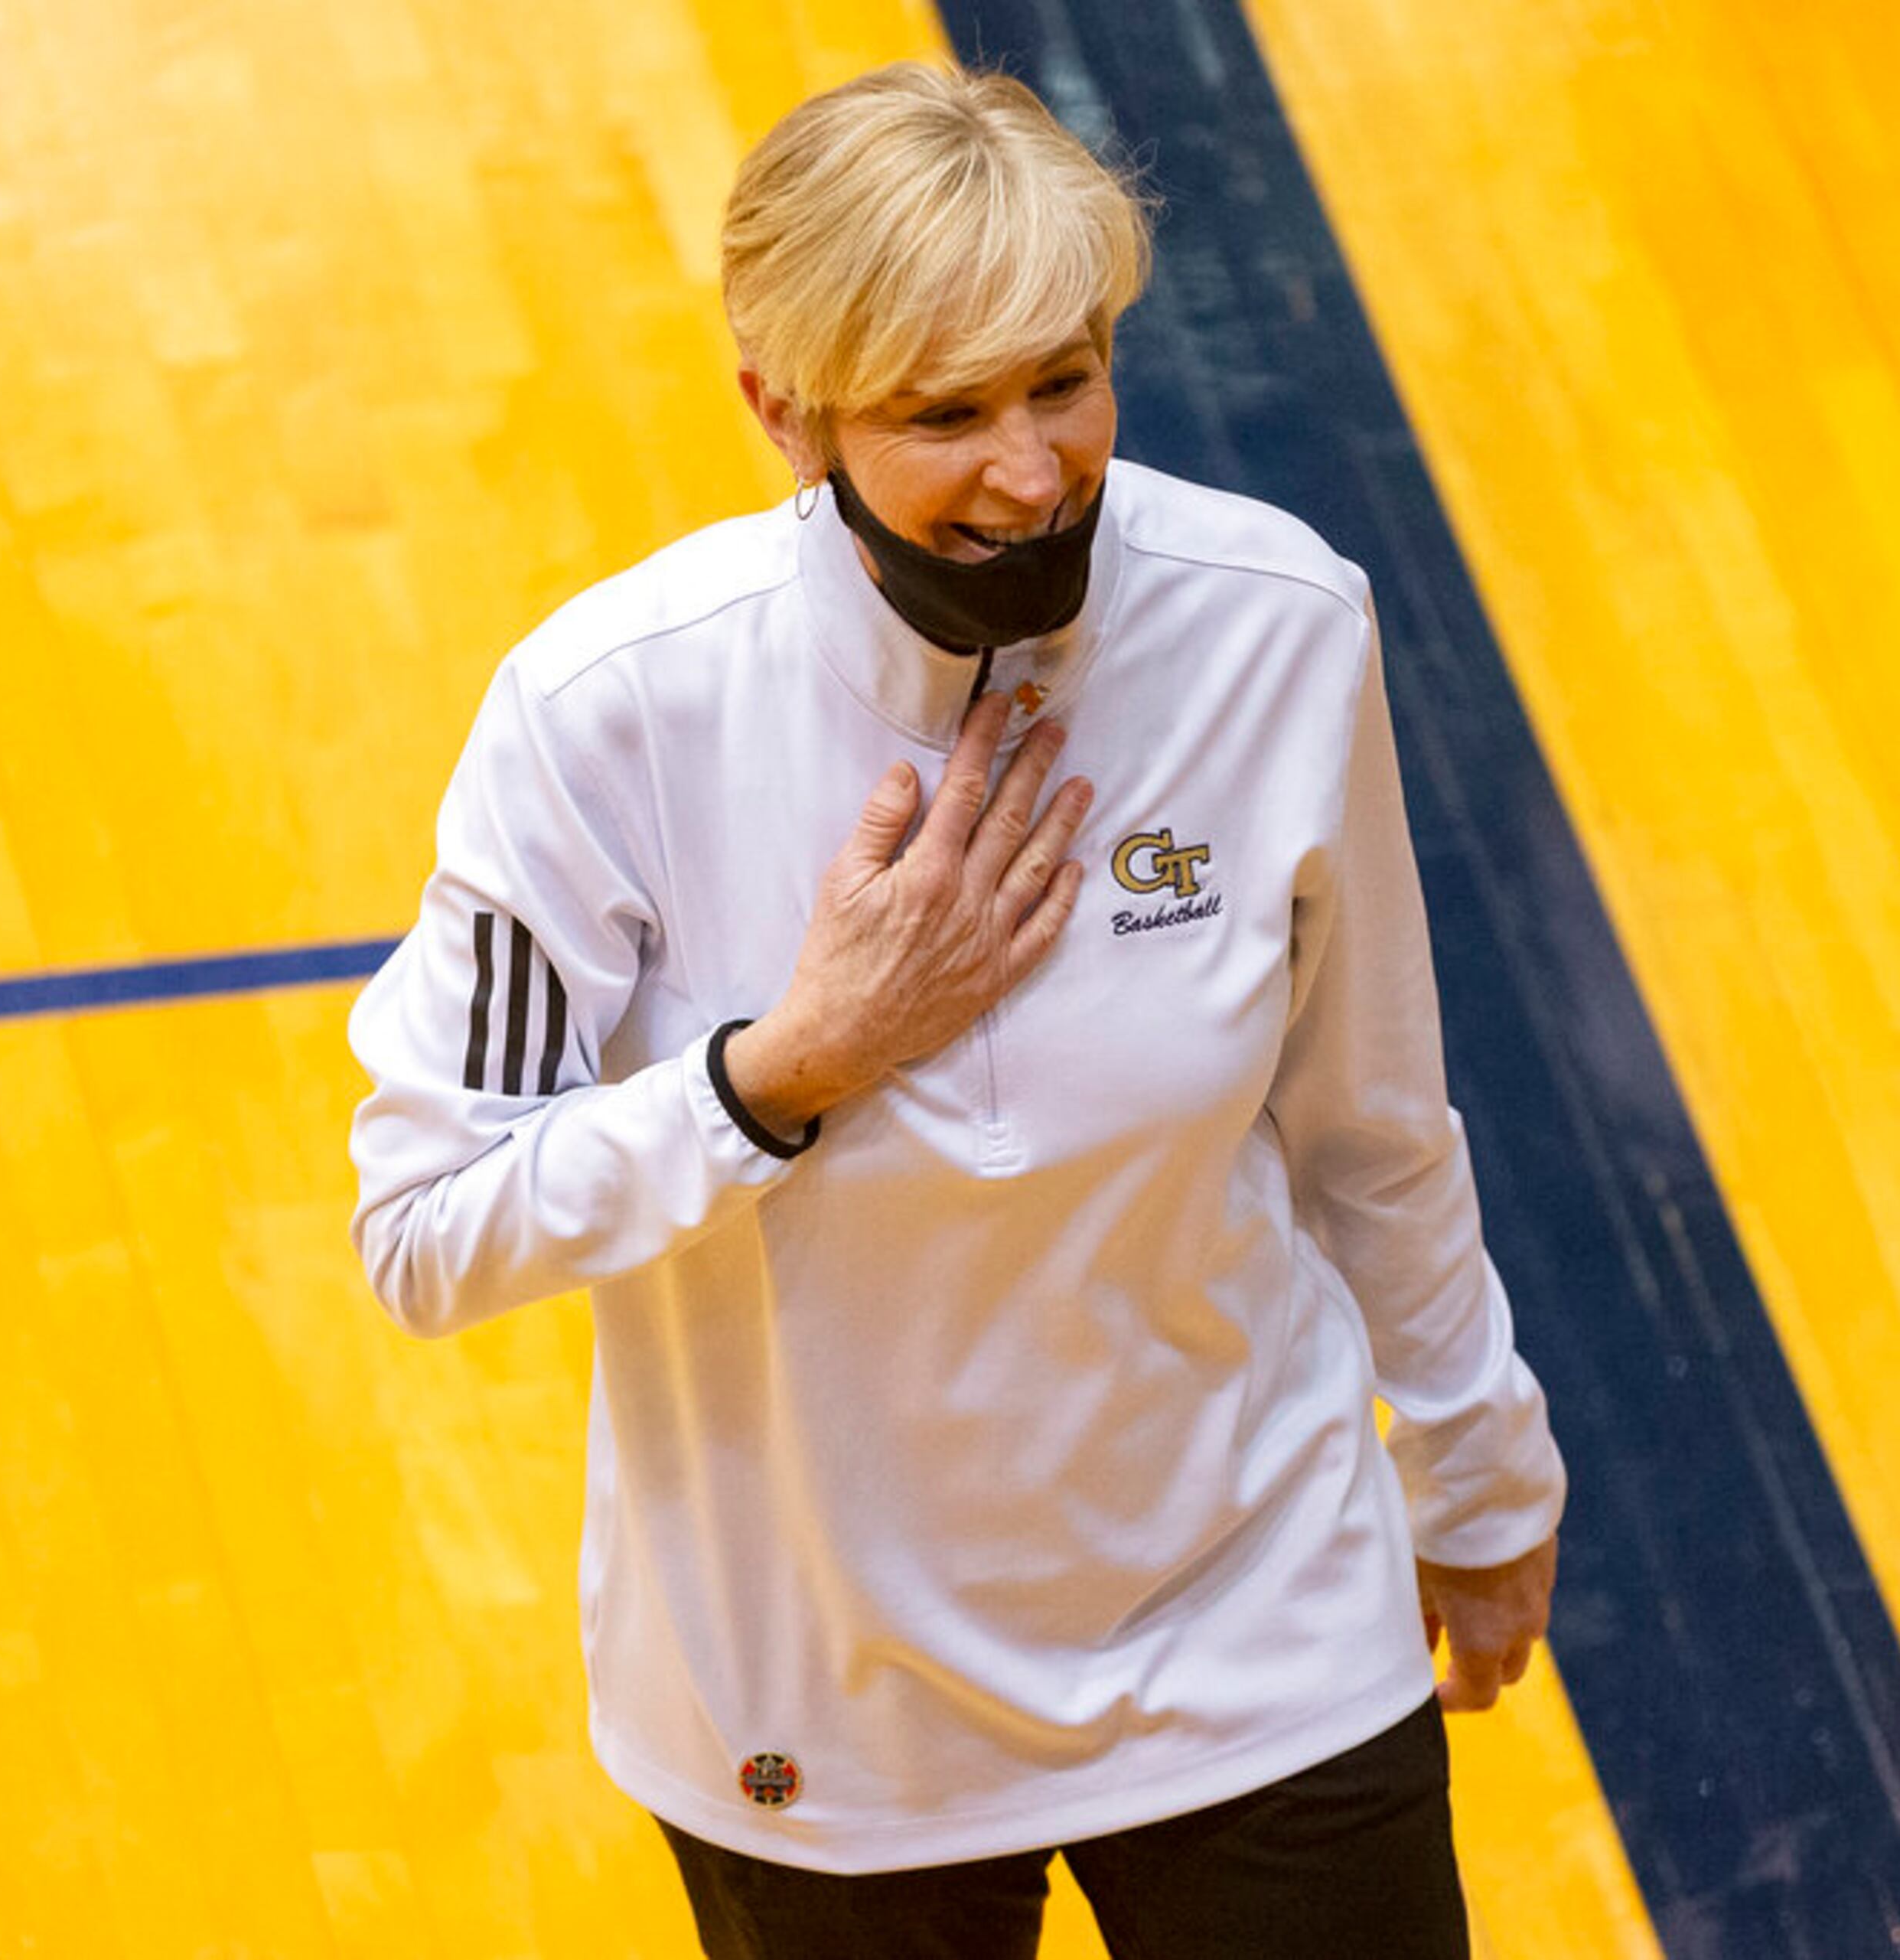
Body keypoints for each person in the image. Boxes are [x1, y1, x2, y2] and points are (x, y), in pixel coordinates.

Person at [347, 60, 1564, 1959]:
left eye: (1065, 383)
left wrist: (1484, 1470)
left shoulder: (1276, 627)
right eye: (945, 414)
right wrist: (777, 1074)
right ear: (786, 411)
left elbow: (1372, 1126)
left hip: (1262, 1632)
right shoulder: (603, 718)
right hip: (812, 1700)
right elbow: (425, 1228)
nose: (1030, 471)